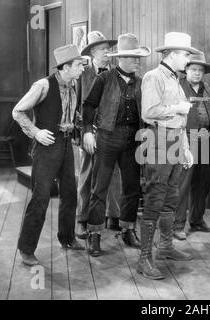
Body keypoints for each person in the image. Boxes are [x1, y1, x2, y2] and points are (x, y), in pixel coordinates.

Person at [13, 44, 87, 266]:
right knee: (41, 198)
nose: (82, 69)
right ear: (65, 67)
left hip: (65, 146)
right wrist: (36, 133)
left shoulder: (73, 86)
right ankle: (26, 249)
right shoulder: (43, 85)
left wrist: (80, 127)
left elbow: (71, 114)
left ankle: (67, 238)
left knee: (70, 194)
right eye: (78, 65)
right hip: (46, 148)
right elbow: (18, 111)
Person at [82, 33, 150, 256]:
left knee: (131, 188)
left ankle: (128, 229)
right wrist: (87, 132)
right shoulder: (104, 79)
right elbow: (89, 106)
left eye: (139, 58)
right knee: (99, 187)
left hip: (132, 140)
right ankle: (94, 234)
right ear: (122, 58)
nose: (138, 62)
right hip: (106, 138)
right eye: (134, 58)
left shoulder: (141, 83)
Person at [139, 32, 198, 279]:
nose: (188, 60)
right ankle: (144, 259)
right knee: (155, 196)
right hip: (158, 139)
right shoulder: (153, 77)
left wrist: (184, 148)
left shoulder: (175, 79)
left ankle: (165, 247)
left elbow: (181, 122)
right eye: (185, 55)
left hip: (174, 140)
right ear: (172, 54)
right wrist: (177, 108)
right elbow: (148, 112)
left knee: (171, 195)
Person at [75, 31, 122, 240]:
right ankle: (82, 219)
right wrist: (85, 132)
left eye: (108, 49)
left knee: (113, 175)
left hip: (110, 133)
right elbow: (77, 106)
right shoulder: (82, 75)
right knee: (86, 175)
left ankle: (114, 217)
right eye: (103, 49)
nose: (107, 52)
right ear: (92, 52)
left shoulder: (115, 74)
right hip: (88, 134)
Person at [173, 52, 210, 240]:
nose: (197, 73)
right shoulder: (179, 86)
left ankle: (197, 220)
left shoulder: (206, 88)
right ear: (186, 69)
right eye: (193, 69)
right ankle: (177, 225)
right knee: (183, 183)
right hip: (186, 139)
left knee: (203, 182)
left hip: (206, 140)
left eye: (200, 70)